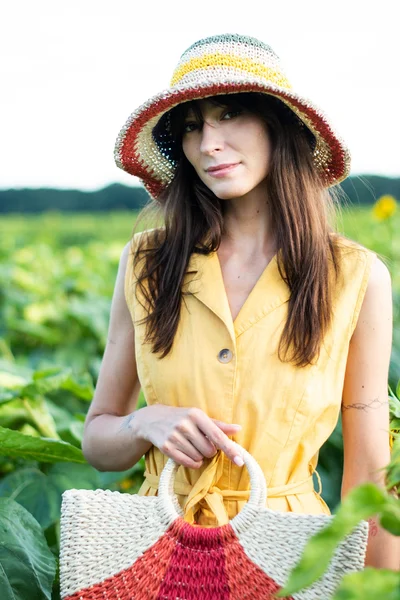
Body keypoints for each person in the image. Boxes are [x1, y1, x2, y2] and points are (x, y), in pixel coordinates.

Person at [82, 33, 399, 568]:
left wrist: (383, 587)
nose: (208, 143)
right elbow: (97, 441)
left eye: (229, 114)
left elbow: (369, 473)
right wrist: (145, 422)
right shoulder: (146, 261)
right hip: (160, 551)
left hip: (286, 555)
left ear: (280, 126)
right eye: (191, 125)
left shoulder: (356, 276)